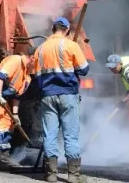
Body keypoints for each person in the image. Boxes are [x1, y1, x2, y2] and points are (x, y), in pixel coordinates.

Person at [33, 17, 89, 183]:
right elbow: (84, 70)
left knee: (49, 134)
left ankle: (51, 174)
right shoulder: (71, 45)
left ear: (53, 29)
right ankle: (73, 175)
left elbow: (36, 75)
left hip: (47, 96)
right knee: (70, 135)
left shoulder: (40, 49)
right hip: (67, 94)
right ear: (66, 30)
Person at [0, 47, 36, 170]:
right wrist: (0, 95)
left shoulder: (27, 76)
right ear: (32, 58)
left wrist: (15, 114)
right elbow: (0, 76)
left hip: (3, 96)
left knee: (9, 124)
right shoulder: (15, 60)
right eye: (38, 61)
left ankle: (4, 157)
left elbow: (17, 96)